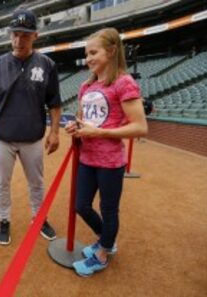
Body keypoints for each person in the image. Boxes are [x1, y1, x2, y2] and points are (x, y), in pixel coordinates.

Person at [64, 27, 148, 277]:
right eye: (86, 53)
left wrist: (99, 133)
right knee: (81, 206)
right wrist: (75, 126)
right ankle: (106, 241)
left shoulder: (124, 82)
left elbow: (140, 127)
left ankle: (102, 254)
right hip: (87, 158)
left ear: (111, 51)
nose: (88, 58)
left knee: (109, 209)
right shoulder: (85, 86)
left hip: (110, 162)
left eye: (93, 52)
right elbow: (83, 119)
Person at [0, 9, 62, 245]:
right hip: (3, 139)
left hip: (33, 138)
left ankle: (39, 218)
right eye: (15, 34)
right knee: (1, 183)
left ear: (35, 36)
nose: (18, 40)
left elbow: (54, 104)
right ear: (9, 35)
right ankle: (3, 220)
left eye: (24, 35)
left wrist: (55, 132)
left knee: (36, 183)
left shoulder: (47, 65)